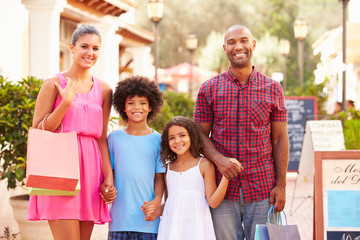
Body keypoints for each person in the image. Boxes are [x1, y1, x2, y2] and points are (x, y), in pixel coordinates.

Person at [194, 24, 289, 240]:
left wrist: (281, 186)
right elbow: (198, 134)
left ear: (253, 45)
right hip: (221, 189)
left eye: (244, 40)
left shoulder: (273, 88)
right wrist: (220, 161)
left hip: (263, 188)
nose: (238, 46)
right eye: (232, 42)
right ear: (224, 48)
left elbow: (280, 139)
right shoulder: (208, 88)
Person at [27, 25, 116, 239]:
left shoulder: (104, 90)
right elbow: (40, 129)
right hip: (59, 166)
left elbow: (101, 138)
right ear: (72, 48)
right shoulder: (52, 84)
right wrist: (65, 103)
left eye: (95, 48)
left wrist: (109, 176)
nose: (90, 53)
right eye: (84, 46)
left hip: (91, 170)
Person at [147, 116, 238, 240]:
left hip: (197, 229)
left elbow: (213, 202)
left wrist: (226, 176)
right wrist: (155, 211)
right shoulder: (167, 168)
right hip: (172, 229)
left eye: (182, 135)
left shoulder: (204, 164)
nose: (177, 141)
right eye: (171, 138)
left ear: (192, 137)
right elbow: (171, 202)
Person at [105, 75, 165, 240]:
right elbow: (108, 174)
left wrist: (157, 201)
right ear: (123, 107)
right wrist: (106, 189)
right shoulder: (113, 138)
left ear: (151, 106)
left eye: (143, 103)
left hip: (148, 222)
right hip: (119, 221)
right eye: (130, 103)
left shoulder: (158, 140)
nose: (136, 107)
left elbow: (159, 178)